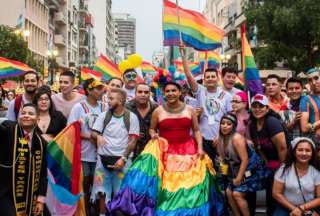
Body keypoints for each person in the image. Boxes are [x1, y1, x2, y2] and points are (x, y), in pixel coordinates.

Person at [108, 81, 224, 215]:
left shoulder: (189, 109)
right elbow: (152, 129)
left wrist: (199, 148)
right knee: (166, 185)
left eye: (174, 90)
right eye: (167, 91)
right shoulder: (158, 110)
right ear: (164, 93)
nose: (171, 93)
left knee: (188, 185)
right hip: (165, 152)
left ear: (180, 92)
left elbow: (196, 130)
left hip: (188, 151)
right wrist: (154, 135)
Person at [91, 88, 140, 215]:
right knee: (101, 191)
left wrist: (123, 159)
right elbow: (93, 133)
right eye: (108, 98)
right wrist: (98, 136)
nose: (108, 101)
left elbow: (133, 141)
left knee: (121, 192)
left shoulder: (131, 117)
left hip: (122, 160)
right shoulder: (104, 116)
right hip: (102, 160)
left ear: (121, 100)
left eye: (111, 99)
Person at [180, 43, 232, 162]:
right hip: (202, 139)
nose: (210, 79)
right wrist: (183, 54)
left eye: (212, 76)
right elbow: (188, 75)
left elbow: (230, 118)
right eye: (207, 77)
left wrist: (221, 135)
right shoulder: (200, 91)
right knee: (205, 170)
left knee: (221, 169)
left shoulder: (226, 96)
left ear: (217, 78)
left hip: (220, 139)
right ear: (204, 79)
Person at [216, 113, 270, 216]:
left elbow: (245, 159)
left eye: (228, 124)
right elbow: (223, 160)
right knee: (228, 192)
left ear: (233, 126)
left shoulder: (237, 138)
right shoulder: (220, 139)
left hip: (251, 170)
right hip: (236, 170)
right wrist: (225, 176)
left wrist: (239, 178)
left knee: (237, 194)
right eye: (222, 123)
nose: (225, 126)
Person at [0, 103, 47, 216]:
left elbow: (43, 174)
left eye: (31, 114)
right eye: (23, 113)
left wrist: (40, 200)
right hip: (5, 194)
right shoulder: (9, 129)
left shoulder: (41, 143)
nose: (26, 116)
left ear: (38, 119)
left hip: (31, 195)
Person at [68, 78, 107, 214]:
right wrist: (89, 137)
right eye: (98, 88)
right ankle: (83, 210)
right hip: (84, 154)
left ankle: (98, 211)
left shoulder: (105, 107)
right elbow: (71, 129)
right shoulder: (79, 107)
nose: (101, 91)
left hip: (102, 155)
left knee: (100, 185)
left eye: (102, 88)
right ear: (89, 91)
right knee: (85, 183)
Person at [248, 93, 288, 216]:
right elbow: (259, 147)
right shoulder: (252, 124)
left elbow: (282, 148)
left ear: (267, 108)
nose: (257, 109)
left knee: (274, 192)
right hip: (268, 163)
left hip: (282, 162)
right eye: (254, 106)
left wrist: (282, 169)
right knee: (259, 187)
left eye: (261, 106)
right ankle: (263, 212)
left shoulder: (272, 122)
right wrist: (266, 164)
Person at [273, 137, 320, 215]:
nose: (304, 153)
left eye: (308, 150)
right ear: (294, 152)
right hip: (286, 207)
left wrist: (302, 208)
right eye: (300, 150)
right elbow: (276, 193)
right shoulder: (284, 170)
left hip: (309, 207)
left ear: (312, 153)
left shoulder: (316, 172)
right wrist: (295, 209)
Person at [126, 83, 158, 159]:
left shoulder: (156, 108)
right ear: (135, 93)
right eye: (140, 92)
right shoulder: (127, 107)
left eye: (146, 92)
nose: (143, 94)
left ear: (150, 94)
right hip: (129, 152)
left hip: (150, 152)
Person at [279, 77, 303, 142]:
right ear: (286, 91)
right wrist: (293, 122)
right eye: (291, 89)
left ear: (302, 89)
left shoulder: (309, 103)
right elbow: (282, 130)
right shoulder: (283, 108)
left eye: (297, 88)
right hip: (292, 144)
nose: (294, 91)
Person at [300, 68, 320, 144]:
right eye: (310, 80)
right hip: (317, 142)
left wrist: (313, 125)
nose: (314, 82)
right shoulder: (305, 99)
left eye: (316, 78)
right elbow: (304, 128)